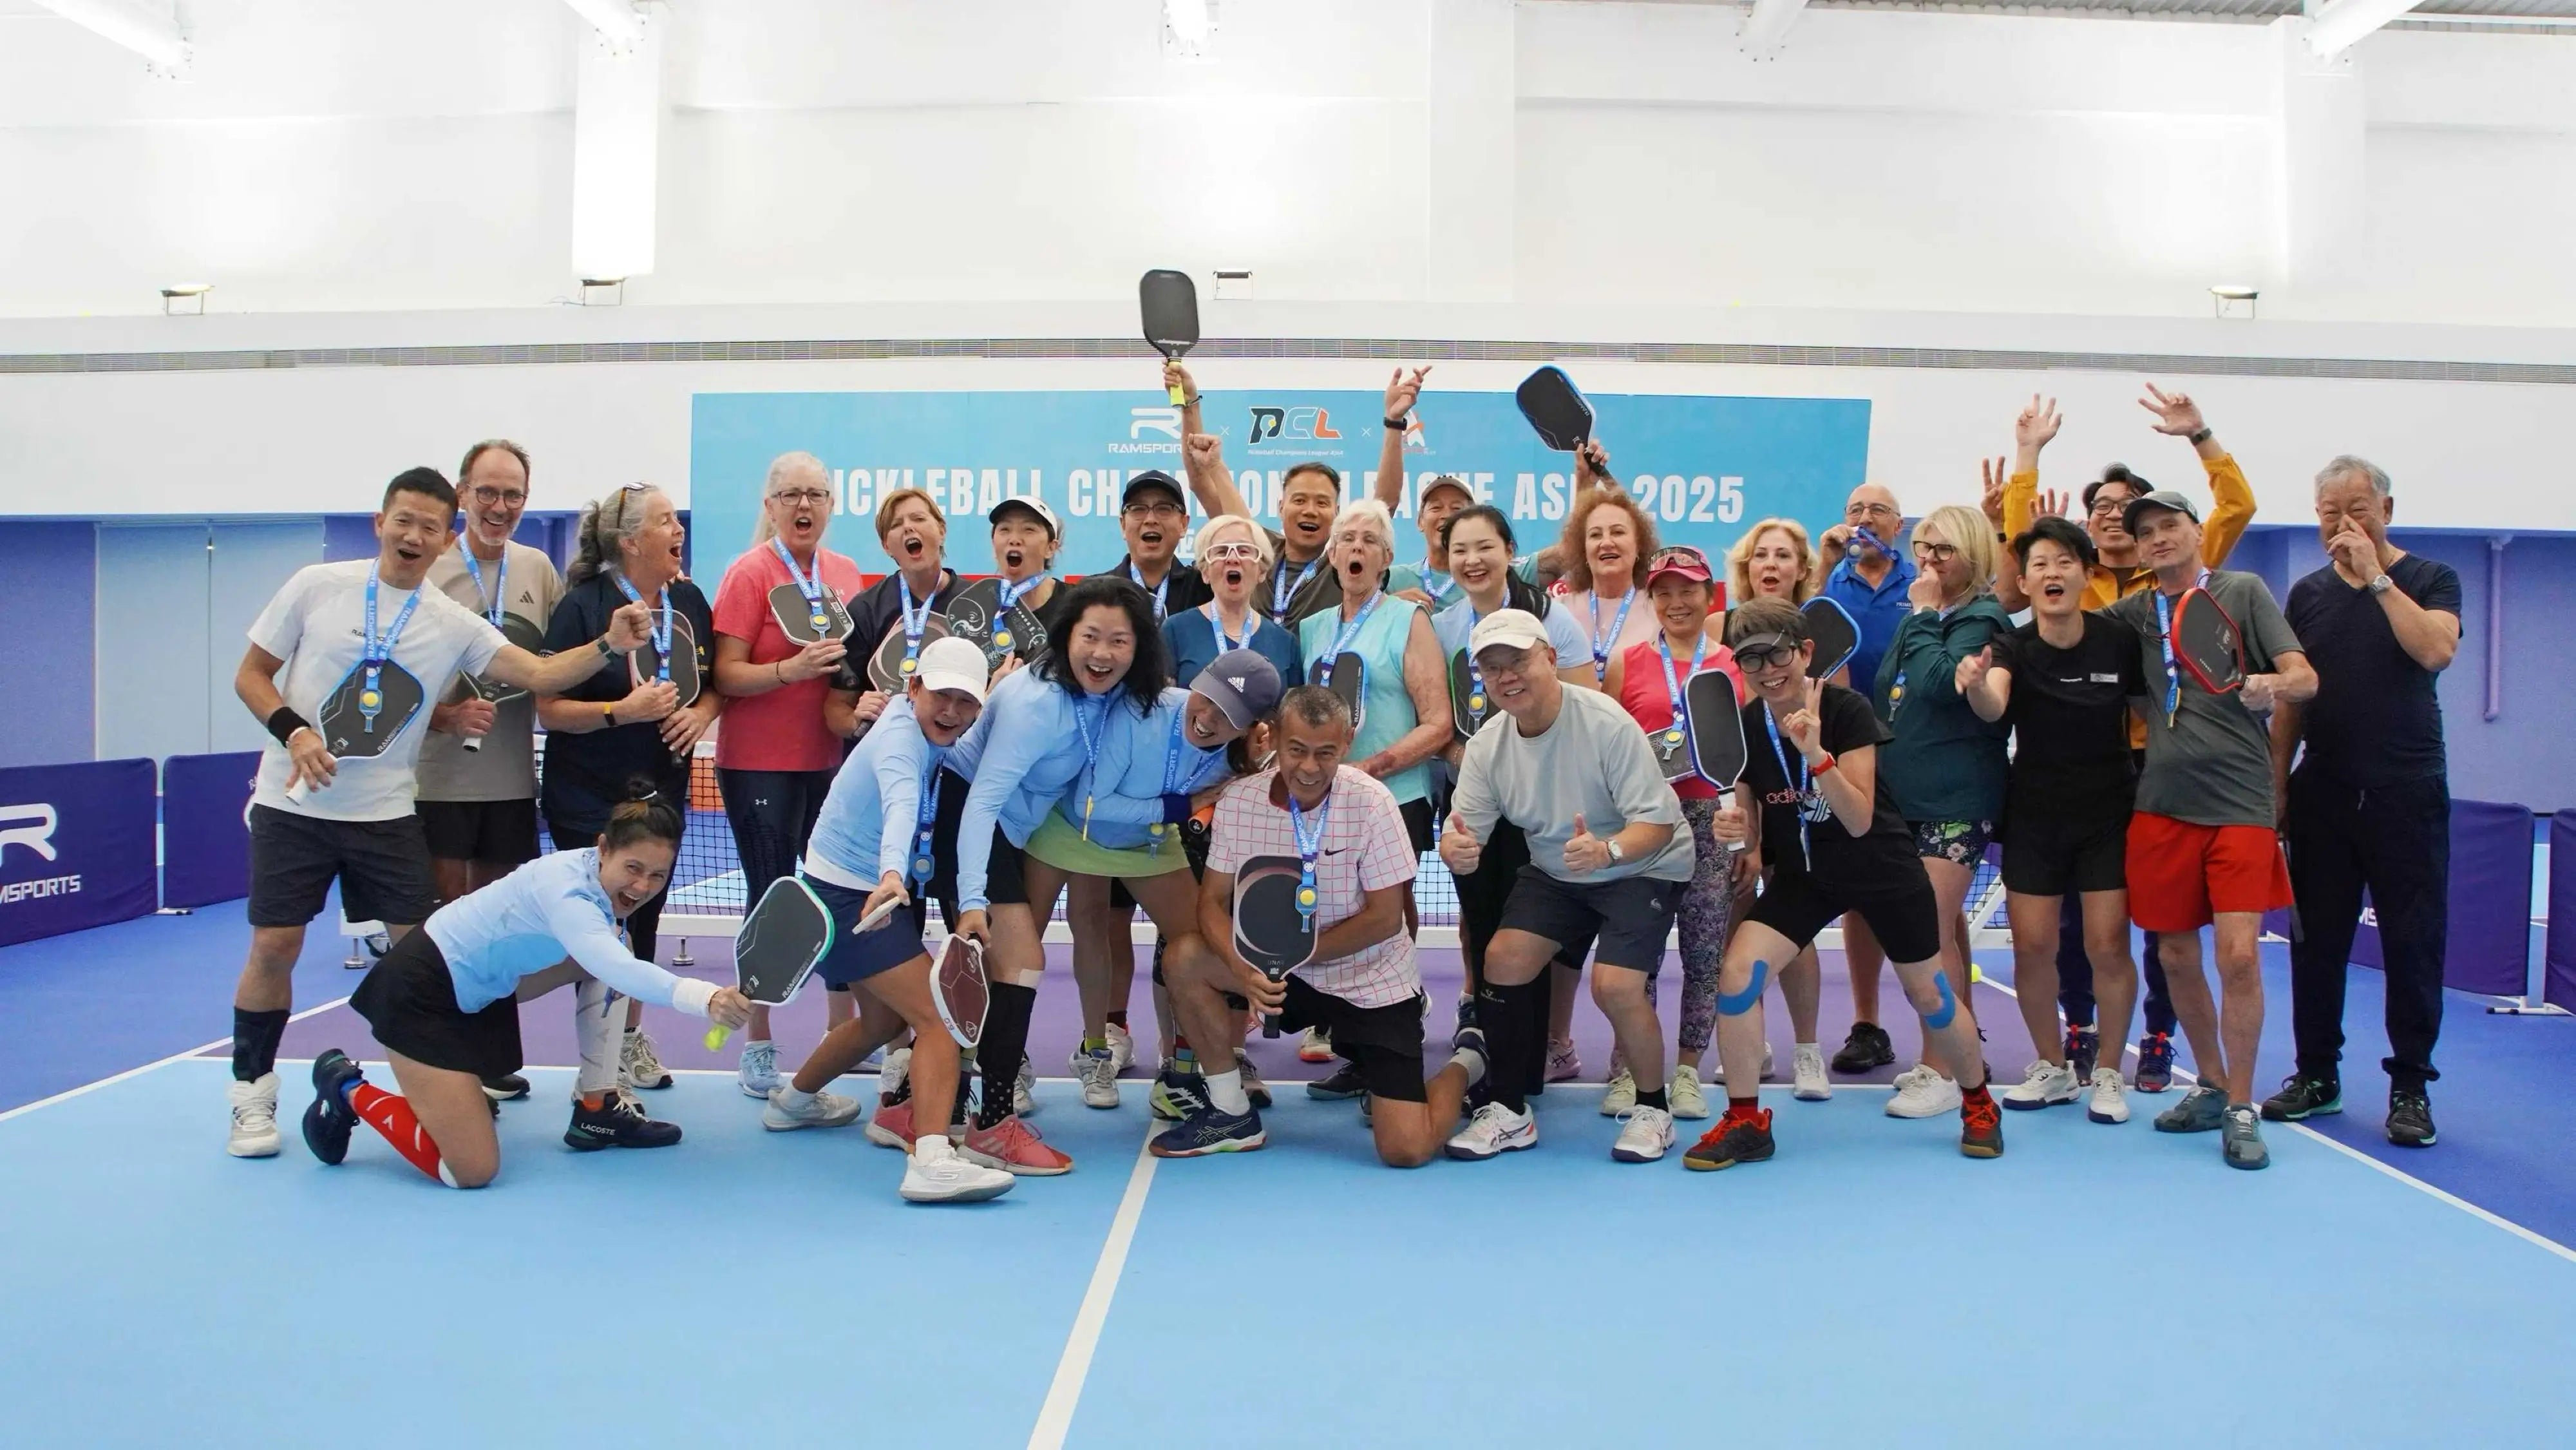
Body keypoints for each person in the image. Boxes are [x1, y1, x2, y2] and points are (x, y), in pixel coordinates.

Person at [223, 466, 656, 1158]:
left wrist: (609, 643)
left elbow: (540, 674)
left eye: (430, 526)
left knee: (430, 953)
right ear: (380, 523)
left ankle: (443, 1081)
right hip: (292, 804)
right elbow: (252, 674)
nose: (414, 535)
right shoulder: (316, 586)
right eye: (404, 520)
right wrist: (294, 731)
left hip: (387, 815)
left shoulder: (450, 621)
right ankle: (252, 1092)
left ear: (445, 536)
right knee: (275, 946)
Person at [1682, 599, 2004, 1170]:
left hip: (1883, 870)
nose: (1767, 669)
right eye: (1751, 659)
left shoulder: (1847, 709)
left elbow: (1857, 819)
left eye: (1778, 653)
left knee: (1930, 995)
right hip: (1806, 877)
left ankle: (1978, 1102)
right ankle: (1746, 1121)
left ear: (1805, 652)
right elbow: (1749, 827)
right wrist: (1737, 832)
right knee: (1738, 976)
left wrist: (1815, 754)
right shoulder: (1747, 727)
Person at [1999, 387, 2257, 1091]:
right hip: (2076, 769)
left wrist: (2200, 435)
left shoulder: (2168, 581)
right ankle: (2076, 1028)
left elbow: (2235, 509)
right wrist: (2027, 455)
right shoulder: (2073, 588)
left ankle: (2158, 1035)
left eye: (2126, 506)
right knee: (2071, 928)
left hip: (2161, 765)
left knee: (2159, 924)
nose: (2112, 514)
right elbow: (2024, 545)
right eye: (2101, 506)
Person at [299, 795, 755, 1187]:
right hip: (421, 994)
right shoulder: (567, 892)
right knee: (471, 1170)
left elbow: (611, 960)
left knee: (620, 945)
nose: (642, 886)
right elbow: (613, 966)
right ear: (603, 848)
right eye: (633, 868)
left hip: (481, 991)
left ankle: (596, 1107)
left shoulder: (592, 876)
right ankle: (347, 1087)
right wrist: (707, 998)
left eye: (657, 875)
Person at [1157, 686, 1490, 1163]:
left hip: (1371, 982)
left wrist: (1293, 953)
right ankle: (1231, 1113)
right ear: (1275, 737)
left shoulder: (1373, 802)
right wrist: (1244, 969)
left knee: (1406, 1149)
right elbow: (1211, 902)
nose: (1309, 768)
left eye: (1325, 753)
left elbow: (1386, 918)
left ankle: (1468, 1061)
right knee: (1184, 957)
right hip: (1278, 973)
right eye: (1296, 750)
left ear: (1347, 743)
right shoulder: (1238, 801)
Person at [756, 636, 1019, 1201]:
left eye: (966, 702)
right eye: (942, 696)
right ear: (914, 687)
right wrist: (893, 872)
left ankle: (793, 1102)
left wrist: (994, 696)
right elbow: (902, 804)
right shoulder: (900, 741)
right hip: (856, 895)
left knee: (879, 1022)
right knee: (940, 1017)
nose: (951, 711)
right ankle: (932, 1161)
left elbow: (955, 758)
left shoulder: (926, 728)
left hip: (841, 887)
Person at [2101, 490, 2314, 1170]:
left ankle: (2243, 1104)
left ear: (2197, 532)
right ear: (2137, 550)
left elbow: (2305, 678)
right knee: (2173, 956)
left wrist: (2270, 683)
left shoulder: (2241, 590)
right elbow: (2057, 620)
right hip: (2161, 805)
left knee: (2239, 956)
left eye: (2170, 525)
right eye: (2146, 533)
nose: (2159, 538)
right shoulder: (2134, 613)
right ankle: (2214, 1085)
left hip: (2241, 805)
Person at [1439, 610, 1697, 1165]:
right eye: (1493, 667)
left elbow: (1656, 824)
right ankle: (1510, 1110)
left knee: (1615, 986)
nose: (1507, 676)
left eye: (1518, 660)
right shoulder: (1486, 747)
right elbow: (1465, 833)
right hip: (1559, 870)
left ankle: (1654, 1110)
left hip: (1643, 863)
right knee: (1503, 958)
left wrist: (1608, 851)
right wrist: (1455, 849)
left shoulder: (1607, 724)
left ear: (1551, 658)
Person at [941, 575, 1173, 1174]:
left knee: (996, 969)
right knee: (1019, 958)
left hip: (1013, 829)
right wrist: (972, 897)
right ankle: (992, 1125)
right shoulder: (1035, 703)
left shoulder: (1111, 695)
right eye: (1090, 636)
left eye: (1119, 641)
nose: (1102, 653)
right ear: (1066, 635)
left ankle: (925, 1101)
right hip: (966, 817)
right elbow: (981, 800)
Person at [2266, 457, 2459, 1149]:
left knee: (2412, 943)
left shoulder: (2430, 579)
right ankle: (2317, 1074)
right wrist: (2277, 786)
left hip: (2407, 792)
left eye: (2357, 509)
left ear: (2387, 510)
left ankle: (2411, 1085)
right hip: (2323, 792)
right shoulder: (2307, 595)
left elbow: (2435, 651)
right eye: (2329, 513)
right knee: (2315, 943)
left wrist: (2376, 577)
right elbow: (2292, 699)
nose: (2342, 524)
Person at [535, 483, 723, 1103]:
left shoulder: (688, 598)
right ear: (630, 541)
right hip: (589, 797)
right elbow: (549, 709)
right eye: (666, 521)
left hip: (662, 795)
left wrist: (701, 715)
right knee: (599, 930)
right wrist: (623, 710)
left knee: (643, 921)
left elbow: (714, 683)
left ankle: (628, 1040)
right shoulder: (583, 605)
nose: (679, 530)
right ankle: (599, 1068)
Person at [1956, 516, 2146, 1124]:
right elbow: (1995, 703)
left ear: (2086, 574)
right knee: (2035, 945)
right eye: (2039, 564)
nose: (2052, 573)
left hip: (2108, 815)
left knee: (2106, 945)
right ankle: (2052, 1066)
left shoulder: (2117, 641)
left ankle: (2109, 1071)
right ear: (2026, 581)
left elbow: (2151, 715)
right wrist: (1976, 685)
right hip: (2035, 815)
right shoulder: (2013, 646)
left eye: (2065, 561)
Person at [1037, 652, 1276, 1109]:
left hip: (1148, 837)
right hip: (1076, 826)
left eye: (1229, 716)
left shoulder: (1239, 755)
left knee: (1198, 945)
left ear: (1249, 727)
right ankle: (1092, 1052)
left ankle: (1180, 1071)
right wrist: (1181, 808)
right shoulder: (1142, 711)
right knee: (1068, 935)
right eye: (1209, 699)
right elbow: (1092, 804)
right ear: (1197, 682)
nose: (1208, 719)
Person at [1414, 505, 1596, 1105]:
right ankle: (1495, 1051)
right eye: (1460, 549)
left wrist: (1523, 764)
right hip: (1470, 803)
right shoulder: (1441, 627)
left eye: (1485, 546)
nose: (1473, 560)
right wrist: (1471, 759)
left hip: (1541, 806)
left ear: (1510, 551)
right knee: (1482, 921)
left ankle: (1526, 1062)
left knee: (1530, 931)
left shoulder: (1554, 621)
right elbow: (1435, 718)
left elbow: (1585, 708)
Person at [709, 452, 869, 1096]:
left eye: (816, 495)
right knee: (770, 899)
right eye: (791, 495)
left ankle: (841, 1032)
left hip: (830, 763)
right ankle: (758, 1042)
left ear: (830, 505)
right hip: (758, 765)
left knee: (839, 894)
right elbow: (725, 674)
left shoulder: (845, 572)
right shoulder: (748, 573)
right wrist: (788, 671)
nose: (805, 506)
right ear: (770, 505)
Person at [413, 439, 562, 1103]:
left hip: (511, 783)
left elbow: (558, 665)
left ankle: (492, 1060)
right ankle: (446, 1065)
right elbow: (393, 680)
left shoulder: (538, 569)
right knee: (447, 925)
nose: (500, 507)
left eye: (513, 495)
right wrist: (446, 717)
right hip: (438, 784)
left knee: (499, 927)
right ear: (463, 493)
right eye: (488, 492)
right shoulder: (429, 570)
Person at [1870, 504, 2013, 1120]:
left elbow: (1937, 684)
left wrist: (1924, 614)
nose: (1927, 559)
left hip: (1955, 800)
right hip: (1906, 798)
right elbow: (1891, 692)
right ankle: (1960, 1051)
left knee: (1926, 930)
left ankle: (1943, 1068)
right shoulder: (1924, 617)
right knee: (1943, 927)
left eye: (1943, 549)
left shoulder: (1982, 619)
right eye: (1922, 547)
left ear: (1972, 555)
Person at [1597, 546, 1747, 1120]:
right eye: (1664, 592)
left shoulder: (1733, 663)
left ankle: (1686, 1071)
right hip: (1648, 824)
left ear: (1709, 596)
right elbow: (1609, 749)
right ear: (1652, 600)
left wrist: (1749, 832)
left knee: (1705, 953)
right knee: (1637, 953)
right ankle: (1630, 1069)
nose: (1676, 602)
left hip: (1714, 822)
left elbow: (1747, 758)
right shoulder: (1626, 662)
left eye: (1687, 590)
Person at [1538, 471, 1658, 1079]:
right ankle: (1557, 1043)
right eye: (1595, 535)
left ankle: (1627, 1057)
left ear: (1640, 545)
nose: (1607, 542)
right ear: (1579, 548)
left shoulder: (1662, 605)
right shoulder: (1559, 608)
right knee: (1564, 929)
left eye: (1618, 532)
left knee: (1632, 933)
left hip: (1640, 787)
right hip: (1569, 786)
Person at [1295, 499, 1455, 923]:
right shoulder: (1313, 628)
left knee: (1389, 915)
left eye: (1370, 541)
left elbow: (1439, 724)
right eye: (1347, 539)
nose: (1357, 548)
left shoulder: (1409, 619)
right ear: (1332, 555)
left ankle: (1403, 972)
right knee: (1331, 910)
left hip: (1394, 797)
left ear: (1386, 559)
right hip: (1324, 795)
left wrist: (1368, 769)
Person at [1714, 517, 1828, 1094]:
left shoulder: (1816, 634)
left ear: (1800, 568)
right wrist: (1748, 836)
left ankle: (1808, 1051)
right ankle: (1751, 1042)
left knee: (1794, 923)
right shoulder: (1722, 628)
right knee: (1737, 918)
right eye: (1761, 554)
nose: (1771, 564)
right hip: (1747, 790)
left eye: (1783, 555)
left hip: (1807, 803)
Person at [1813, 481, 1916, 1078]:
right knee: (1859, 896)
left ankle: (1952, 1022)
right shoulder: (1830, 580)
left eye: (1878, 510)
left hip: (1915, 753)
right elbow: (1801, 638)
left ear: (1898, 525)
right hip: (1848, 750)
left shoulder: (1919, 583)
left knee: (1935, 893)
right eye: (1855, 510)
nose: (1866, 518)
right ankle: (1867, 1024)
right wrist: (1825, 565)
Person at [827, 484, 962, 739]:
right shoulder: (865, 609)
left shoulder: (975, 604)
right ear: (886, 546)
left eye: (918, 518)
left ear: (941, 530)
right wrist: (855, 720)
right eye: (896, 524)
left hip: (958, 752)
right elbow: (836, 708)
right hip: (886, 749)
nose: (909, 527)